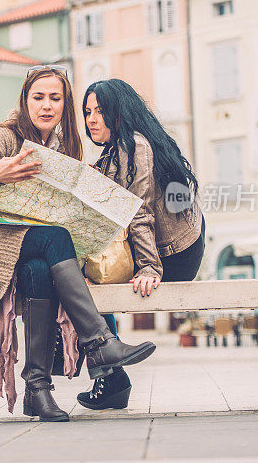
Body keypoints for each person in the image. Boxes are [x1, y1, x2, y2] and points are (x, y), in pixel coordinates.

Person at [0, 67, 156, 422]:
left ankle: (37, 391)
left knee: (41, 268)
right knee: (55, 238)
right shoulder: (2, 136)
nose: (47, 105)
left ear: (65, 104)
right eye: (38, 97)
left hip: (29, 247)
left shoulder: (65, 146)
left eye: (56, 98)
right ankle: (99, 344)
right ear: (25, 100)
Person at [78, 78, 205, 410]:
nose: (92, 119)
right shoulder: (112, 154)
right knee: (78, 280)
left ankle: (111, 376)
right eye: (88, 111)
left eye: (101, 111)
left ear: (119, 112)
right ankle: (110, 374)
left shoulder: (135, 145)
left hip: (175, 252)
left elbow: (139, 210)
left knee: (79, 282)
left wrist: (150, 267)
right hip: (161, 247)